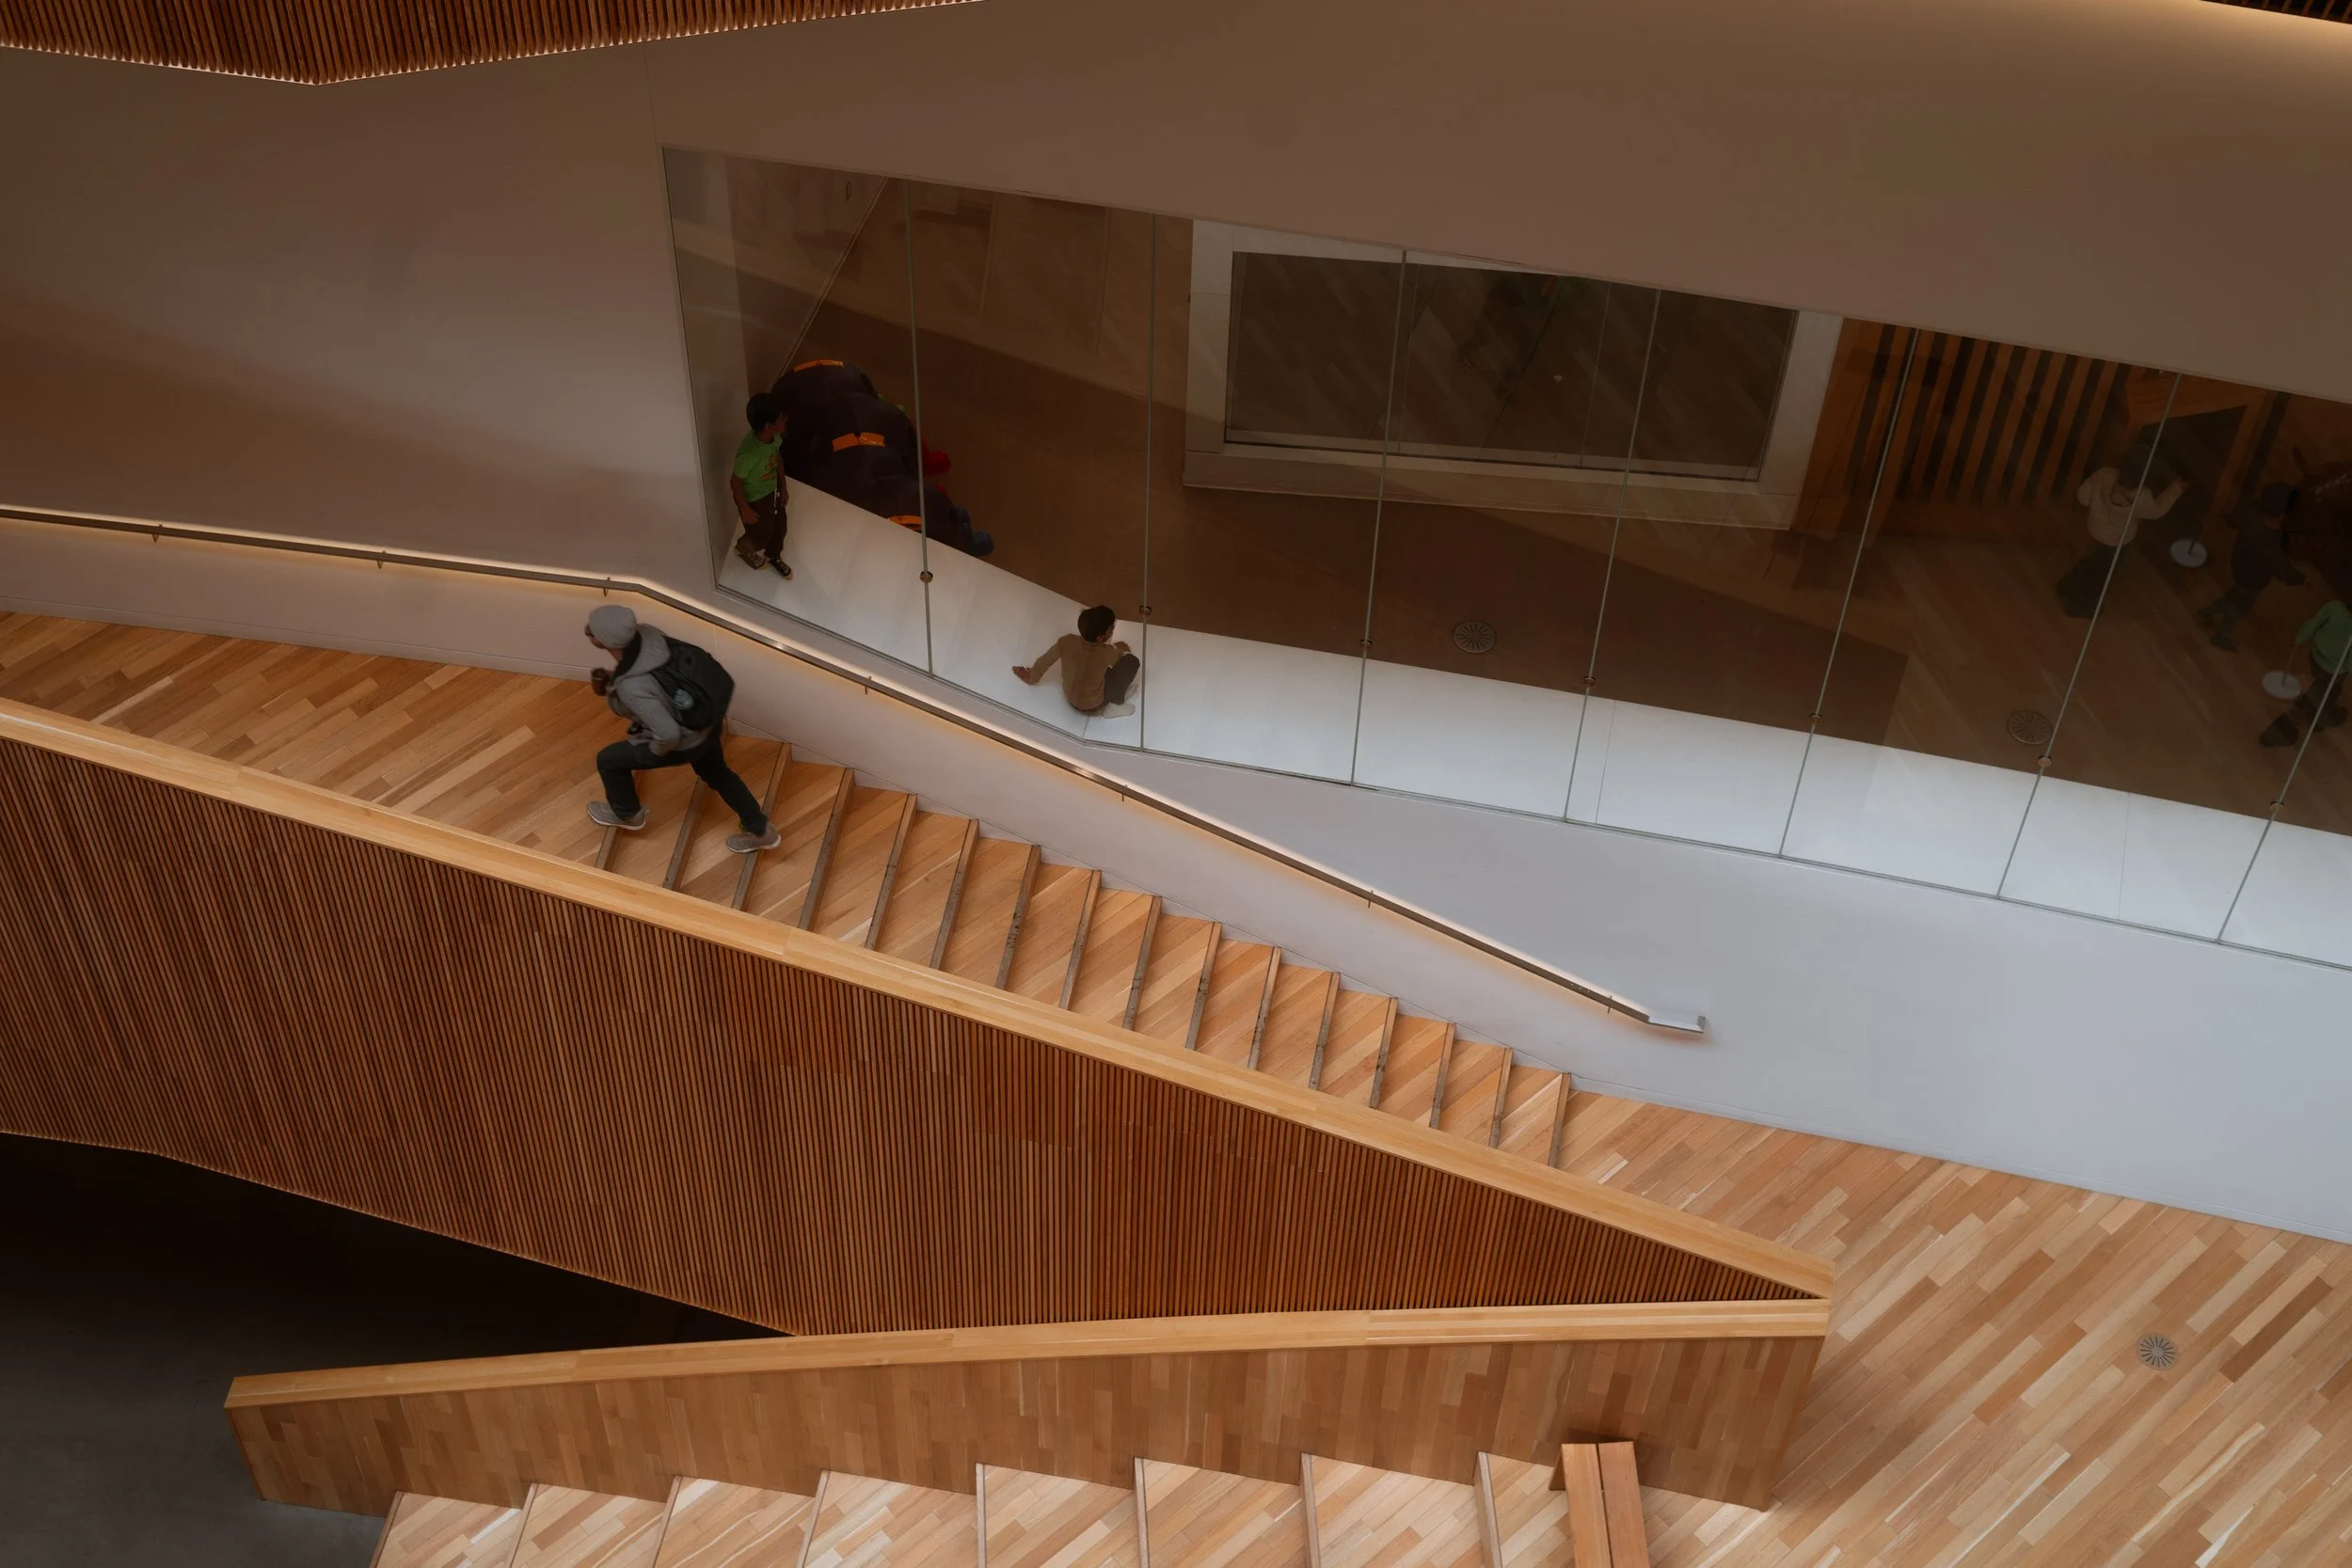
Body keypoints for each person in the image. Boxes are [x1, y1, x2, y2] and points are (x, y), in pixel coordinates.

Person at [583, 605, 780, 851]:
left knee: (608, 760)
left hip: (682, 742)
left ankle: (627, 814)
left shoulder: (632, 688)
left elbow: (668, 734)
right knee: (720, 775)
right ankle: (761, 830)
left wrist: (653, 751)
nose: (588, 631)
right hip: (706, 726)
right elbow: (658, 674)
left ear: (603, 641)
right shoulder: (650, 634)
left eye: (593, 631)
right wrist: (621, 676)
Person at [2058, 443, 2188, 618]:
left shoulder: (2104, 475)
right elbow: (2157, 511)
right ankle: (2079, 604)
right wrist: (2176, 488)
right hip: (2117, 542)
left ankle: (2068, 585)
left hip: (2095, 529)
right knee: (2101, 574)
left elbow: (2082, 497)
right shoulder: (2142, 496)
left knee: (2092, 560)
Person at [2197, 483, 2305, 650]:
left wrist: (2228, 519)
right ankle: (2222, 635)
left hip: (2239, 564)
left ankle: (2212, 609)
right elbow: (2281, 567)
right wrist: (2300, 579)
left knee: (2238, 591)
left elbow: (2234, 520)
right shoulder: (2271, 543)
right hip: (2255, 578)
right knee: (2240, 607)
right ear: (2280, 515)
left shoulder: (2251, 513)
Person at [1014, 604, 1138, 718]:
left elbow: (1044, 661)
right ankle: (1115, 703)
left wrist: (1032, 677)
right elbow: (1119, 658)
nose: (1113, 630)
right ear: (1100, 637)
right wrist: (1122, 647)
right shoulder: (1107, 652)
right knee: (1132, 662)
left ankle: (1112, 699)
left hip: (1070, 698)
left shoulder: (1066, 641)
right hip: (1094, 704)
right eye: (1112, 628)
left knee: (1097, 668)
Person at [2259, 598, 2352, 748]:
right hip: (2333, 671)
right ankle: (2278, 734)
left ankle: (2320, 717)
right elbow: (2349, 662)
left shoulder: (2334, 608)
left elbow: (2313, 623)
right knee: (2313, 699)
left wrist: (2299, 638)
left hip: (2315, 658)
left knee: (2325, 692)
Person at [730, 394, 791, 580]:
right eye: (782, 418)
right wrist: (745, 508)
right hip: (755, 498)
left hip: (771, 489)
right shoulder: (749, 454)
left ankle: (773, 555)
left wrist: (783, 486)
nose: (785, 420)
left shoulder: (775, 438)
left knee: (779, 525)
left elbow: (777, 459)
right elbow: (735, 482)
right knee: (761, 533)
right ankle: (743, 549)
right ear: (768, 426)